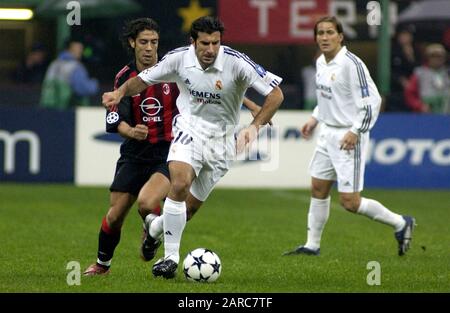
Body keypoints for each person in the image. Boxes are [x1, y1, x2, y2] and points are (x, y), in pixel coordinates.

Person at [84, 18, 271, 276]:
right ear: (132, 44)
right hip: (135, 153)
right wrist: (130, 128)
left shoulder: (176, 69)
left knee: (153, 202)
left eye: (154, 42)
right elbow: (116, 120)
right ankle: (106, 264)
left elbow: (221, 88)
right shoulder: (127, 77)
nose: (149, 48)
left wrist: (252, 111)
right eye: (144, 42)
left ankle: (158, 240)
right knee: (116, 215)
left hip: (169, 146)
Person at [283, 16, 415, 258]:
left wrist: (356, 131)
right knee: (318, 187)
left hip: (347, 135)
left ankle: (400, 223)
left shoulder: (352, 65)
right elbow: (327, 98)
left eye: (329, 32)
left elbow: (372, 102)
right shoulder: (321, 62)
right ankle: (312, 245)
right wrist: (314, 118)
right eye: (320, 33)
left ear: (340, 37)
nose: (324, 37)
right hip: (327, 133)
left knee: (350, 202)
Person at [40, 38, 99, 109]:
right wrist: (94, 84)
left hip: (47, 108)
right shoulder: (75, 66)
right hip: (67, 110)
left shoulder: (54, 64)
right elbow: (82, 88)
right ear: (69, 49)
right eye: (78, 48)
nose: (80, 51)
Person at [404, 43, 449, 113]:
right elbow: (409, 93)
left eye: (439, 57)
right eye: (433, 56)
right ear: (428, 58)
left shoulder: (447, 73)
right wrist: (419, 105)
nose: (437, 59)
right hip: (426, 110)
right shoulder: (420, 73)